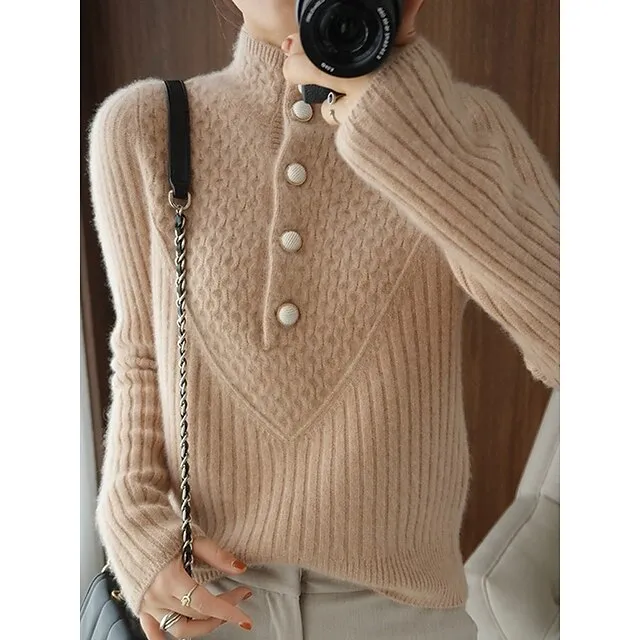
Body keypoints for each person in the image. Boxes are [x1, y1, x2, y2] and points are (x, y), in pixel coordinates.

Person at [88, 0, 559, 638]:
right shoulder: (146, 125)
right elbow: (141, 354)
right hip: (210, 603)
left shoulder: (468, 130)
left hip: (402, 614)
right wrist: (132, 521)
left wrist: (408, 126)